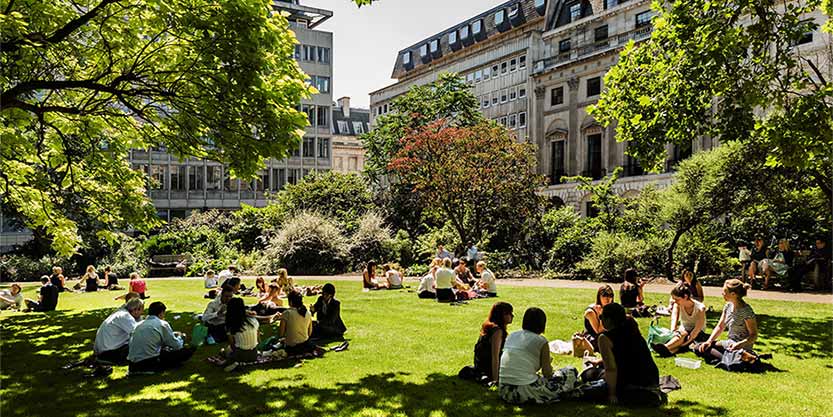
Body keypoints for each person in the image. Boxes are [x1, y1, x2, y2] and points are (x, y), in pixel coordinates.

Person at [498, 307, 581, 404]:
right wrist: (547, 363)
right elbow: (547, 373)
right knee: (570, 371)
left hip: (504, 390)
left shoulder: (512, 335)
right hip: (525, 390)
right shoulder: (541, 341)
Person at [591, 303, 663, 407]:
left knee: (590, 374)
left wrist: (612, 394)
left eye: (601, 317)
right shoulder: (631, 326)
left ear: (609, 320)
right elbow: (627, 354)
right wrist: (599, 361)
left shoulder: (604, 338)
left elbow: (611, 368)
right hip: (650, 379)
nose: (600, 320)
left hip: (629, 381)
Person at [695, 279, 758, 363]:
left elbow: (754, 335)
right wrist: (709, 341)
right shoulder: (728, 306)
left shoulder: (746, 311)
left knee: (701, 348)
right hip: (729, 344)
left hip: (741, 346)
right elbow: (720, 326)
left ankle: (738, 357)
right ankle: (732, 359)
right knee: (700, 347)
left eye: (725, 291)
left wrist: (740, 344)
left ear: (733, 294)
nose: (722, 294)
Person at [127, 301, 195, 374]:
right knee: (187, 351)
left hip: (132, 364)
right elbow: (177, 345)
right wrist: (180, 338)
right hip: (149, 362)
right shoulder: (162, 324)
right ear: (161, 313)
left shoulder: (138, 325)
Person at [652, 283, 707, 357]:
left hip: (698, 332)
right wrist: (673, 331)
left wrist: (686, 342)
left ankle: (666, 348)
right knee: (681, 334)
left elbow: (697, 329)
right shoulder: (677, 305)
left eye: (677, 299)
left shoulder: (700, 308)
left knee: (684, 336)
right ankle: (667, 350)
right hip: (684, 329)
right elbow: (674, 318)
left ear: (685, 296)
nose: (675, 301)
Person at [467, 302, 513, 385]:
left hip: (480, 366)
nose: (512, 316)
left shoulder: (490, 327)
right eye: (508, 313)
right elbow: (495, 356)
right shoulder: (497, 331)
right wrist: (495, 379)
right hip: (488, 367)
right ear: (501, 316)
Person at [93, 298, 144, 364]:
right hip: (109, 353)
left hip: (103, 350)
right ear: (136, 310)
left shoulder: (120, 313)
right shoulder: (125, 316)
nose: (142, 313)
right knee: (141, 345)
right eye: (141, 310)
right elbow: (139, 334)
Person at [279, 291, 322, 356]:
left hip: (291, 347)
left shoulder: (287, 313)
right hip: (305, 345)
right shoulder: (307, 313)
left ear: (290, 302)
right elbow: (309, 333)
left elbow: (281, 333)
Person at [223, 297, 260, 366]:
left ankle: (234, 362)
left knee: (226, 350)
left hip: (240, 354)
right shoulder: (253, 321)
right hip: (254, 354)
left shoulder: (231, 324)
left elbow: (232, 344)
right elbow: (258, 338)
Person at [583, 285, 614, 350]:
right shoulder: (590, 312)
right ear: (599, 297)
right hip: (593, 337)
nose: (608, 299)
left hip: (606, 334)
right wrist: (601, 316)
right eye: (604, 295)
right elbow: (599, 331)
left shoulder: (610, 308)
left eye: (610, 296)